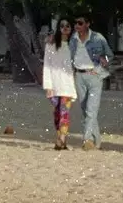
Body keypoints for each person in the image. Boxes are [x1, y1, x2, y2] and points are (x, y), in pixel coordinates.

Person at [70, 15, 113, 150]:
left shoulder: (98, 38)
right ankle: (97, 140)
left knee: (91, 110)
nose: (77, 25)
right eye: (75, 23)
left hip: (94, 76)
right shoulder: (74, 38)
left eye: (80, 23)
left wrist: (102, 65)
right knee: (85, 110)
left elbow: (109, 55)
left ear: (87, 24)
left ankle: (87, 139)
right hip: (79, 75)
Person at [41, 21, 77, 150]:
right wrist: (48, 86)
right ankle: (62, 139)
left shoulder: (75, 45)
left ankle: (61, 139)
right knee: (57, 113)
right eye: (62, 26)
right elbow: (47, 65)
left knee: (64, 112)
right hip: (54, 84)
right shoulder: (51, 44)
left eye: (68, 26)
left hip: (68, 85)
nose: (65, 28)